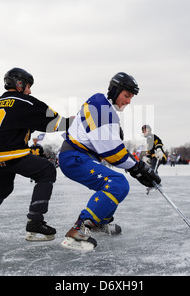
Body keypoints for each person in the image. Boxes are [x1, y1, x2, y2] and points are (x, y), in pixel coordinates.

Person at [58, 72, 161, 251]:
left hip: (79, 156)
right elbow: (112, 152)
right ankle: (78, 230)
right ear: (115, 91)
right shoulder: (101, 108)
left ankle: (99, 222)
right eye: (127, 95)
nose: (129, 101)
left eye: (131, 97)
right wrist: (138, 169)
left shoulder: (103, 108)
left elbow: (115, 149)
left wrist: (137, 168)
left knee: (114, 181)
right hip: (74, 157)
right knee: (117, 183)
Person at [0, 67, 72, 242]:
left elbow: (13, 126)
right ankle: (35, 221)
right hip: (7, 153)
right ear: (19, 84)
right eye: (28, 86)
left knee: (1, 188)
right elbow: (56, 123)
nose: (30, 91)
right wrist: (78, 122)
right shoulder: (26, 102)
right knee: (47, 170)